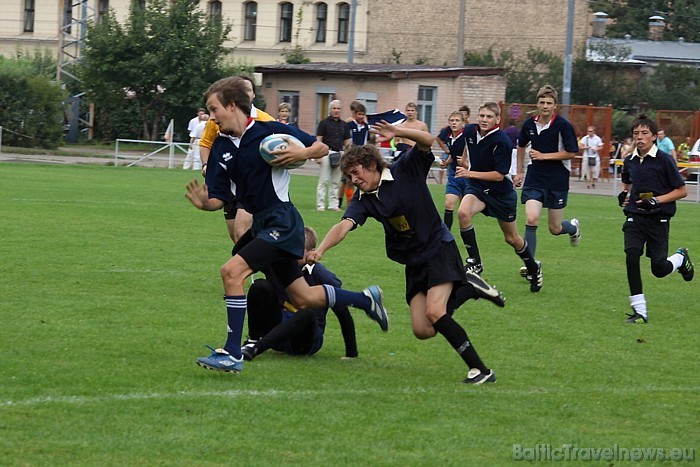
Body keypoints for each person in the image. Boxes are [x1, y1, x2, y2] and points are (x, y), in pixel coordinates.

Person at [184, 76, 388, 373]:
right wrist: (205, 203)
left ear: (231, 105)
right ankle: (365, 299)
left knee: (231, 272)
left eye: (214, 109)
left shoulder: (270, 131)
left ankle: (231, 353)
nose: (211, 116)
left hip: (282, 220)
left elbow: (319, 148)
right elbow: (219, 197)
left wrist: (300, 153)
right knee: (303, 296)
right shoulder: (220, 148)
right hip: (262, 224)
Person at [307, 120, 506, 385]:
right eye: (350, 176)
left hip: (438, 248)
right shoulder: (363, 199)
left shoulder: (406, 169)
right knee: (423, 330)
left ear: (372, 165)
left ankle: (481, 370)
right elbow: (344, 225)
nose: (354, 180)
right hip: (413, 261)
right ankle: (468, 288)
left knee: (436, 312)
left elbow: (427, 140)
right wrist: (320, 249)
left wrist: (398, 132)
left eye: (356, 173)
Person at [455, 102, 541, 292]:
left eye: (489, 117)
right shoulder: (469, 131)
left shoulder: (501, 141)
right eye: (482, 116)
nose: (484, 120)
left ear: (497, 119)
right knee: (462, 213)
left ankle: (534, 268)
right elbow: (463, 150)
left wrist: (469, 173)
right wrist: (461, 161)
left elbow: (499, 175)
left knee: (511, 238)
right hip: (477, 189)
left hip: (501, 194)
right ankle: (475, 262)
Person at [618, 114, 694, 324]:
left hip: (659, 218)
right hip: (635, 216)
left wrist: (658, 201)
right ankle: (640, 311)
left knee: (659, 269)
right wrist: (624, 195)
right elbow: (627, 182)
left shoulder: (664, 160)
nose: (640, 137)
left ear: (653, 136)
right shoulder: (630, 160)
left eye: (644, 133)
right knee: (631, 256)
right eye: (636, 134)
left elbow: (682, 191)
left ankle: (680, 258)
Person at [241, 227, 358, 361]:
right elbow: (244, 256)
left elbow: (343, 313)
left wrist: (351, 353)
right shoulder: (278, 264)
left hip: (303, 341)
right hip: (276, 330)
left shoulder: (322, 276)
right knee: (260, 286)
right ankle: (252, 340)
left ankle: (256, 348)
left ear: (311, 253)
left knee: (307, 313)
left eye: (296, 248)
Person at [514, 85, 581, 282]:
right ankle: (532, 266)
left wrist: (544, 156)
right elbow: (520, 146)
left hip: (557, 179)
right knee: (531, 219)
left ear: (555, 106)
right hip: (534, 178)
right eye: (542, 102)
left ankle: (573, 228)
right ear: (537, 103)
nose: (545, 106)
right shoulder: (529, 124)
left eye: (549, 103)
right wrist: (519, 171)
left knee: (555, 228)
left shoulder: (562, 125)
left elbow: (571, 152)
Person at [198, 74, 275, 243]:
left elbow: (301, 147)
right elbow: (205, 143)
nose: (245, 94)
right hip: (229, 187)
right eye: (241, 90)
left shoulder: (266, 121)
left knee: (242, 232)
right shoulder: (218, 120)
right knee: (237, 239)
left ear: (253, 94)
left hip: (254, 188)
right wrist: (206, 165)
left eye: (248, 90)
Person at [315, 99, 350, 211]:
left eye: (338, 108)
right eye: (334, 108)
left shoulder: (344, 125)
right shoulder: (323, 123)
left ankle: (333, 205)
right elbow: (319, 139)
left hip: (339, 153)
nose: (336, 110)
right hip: (326, 152)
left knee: (335, 181)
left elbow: (347, 141)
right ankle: (320, 204)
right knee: (323, 180)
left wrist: (347, 152)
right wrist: (318, 155)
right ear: (330, 110)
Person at [436, 111, 467, 233]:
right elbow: (453, 154)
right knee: (449, 203)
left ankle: (465, 232)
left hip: (468, 175)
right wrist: (447, 162)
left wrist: (466, 163)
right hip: (454, 174)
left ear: (463, 123)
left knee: (464, 211)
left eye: (457, 120)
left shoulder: (466, 136)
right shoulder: (449, 137)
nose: (454, 123)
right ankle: (446, 235)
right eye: (452, 120)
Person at [338, 101, 368, 207]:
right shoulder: (349, 125)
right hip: (350, 156)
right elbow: (345, 139)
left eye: (363, 114)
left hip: (361, 156)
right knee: (346, 180)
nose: (361, 116)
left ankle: (352, 202)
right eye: (359, 114)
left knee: (356, 179)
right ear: (354, 114)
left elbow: (367, 140)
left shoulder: (366, 127)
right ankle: (341, 201)